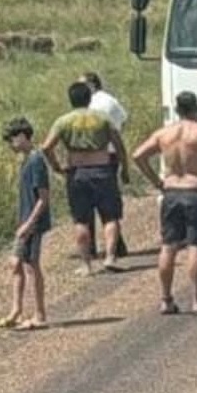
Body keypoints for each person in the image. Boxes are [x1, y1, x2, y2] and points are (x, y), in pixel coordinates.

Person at [131, 91, 197, 316]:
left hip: (172, 191)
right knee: (196, 245)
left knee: (169, 245)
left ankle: (166, 299)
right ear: (196, 108)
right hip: (196, 191)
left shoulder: (164, 134)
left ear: (177, 109)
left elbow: (138, 155)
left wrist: (156, 181)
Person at [41, 82, 130, 276]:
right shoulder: (103, 119)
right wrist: (124, 168)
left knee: (81, 220)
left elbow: (47, 147)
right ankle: (110, 257)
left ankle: (86, 265)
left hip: (77, 172)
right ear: (89, 98)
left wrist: (57, 167)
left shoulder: (63, 121)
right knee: (110, 217)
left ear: (70, 99)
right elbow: (119, 145)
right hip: (103, 170)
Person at [0, 117, 52, 331]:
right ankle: (16, 310)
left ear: (22, 136)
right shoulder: (27, 160)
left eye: (12, 139)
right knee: (16, 264)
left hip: (32, 223)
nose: (11, 145)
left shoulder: (36, 160)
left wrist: (29, 224)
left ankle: (40, 315)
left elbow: (43, 198)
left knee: (31, 266)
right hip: (24, 221)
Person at [81, 71, 128, 260]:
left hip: (92, 157)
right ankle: (117, 245)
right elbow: (123, 120)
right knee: (108, 204)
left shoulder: (91, 105)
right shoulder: (112, 100)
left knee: (88, 204)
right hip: (111, 156)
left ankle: (91, 247)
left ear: (91, 85)